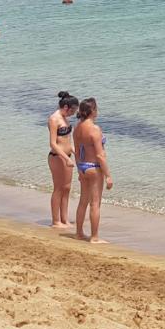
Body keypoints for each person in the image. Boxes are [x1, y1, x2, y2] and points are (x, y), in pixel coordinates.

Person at [73, 97, 112, 243]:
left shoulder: (77, 128)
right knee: (95, 203)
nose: (97, 111)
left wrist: (79, 169)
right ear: (92, 111)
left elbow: (77, 152)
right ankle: (94, 237)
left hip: (83, 166)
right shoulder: (95, 129)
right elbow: (100, 155)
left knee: (83, 201)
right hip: (94, 168)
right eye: (96, 108)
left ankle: (79, 233)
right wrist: (108, 175)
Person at [47, 91, 80, 228]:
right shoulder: (54, 119)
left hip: (67, 157)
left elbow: (67, 140)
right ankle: (56, 221)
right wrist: (65, 158)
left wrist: (75, 152)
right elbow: (53, 143)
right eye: (73, 110)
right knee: (58, 188)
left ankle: (64, 219)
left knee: (66, 188)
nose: (74, 113)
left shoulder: (65, 118)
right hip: (57, 157)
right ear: (66, 107)